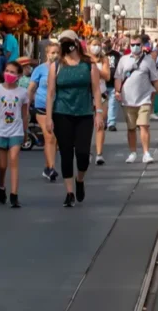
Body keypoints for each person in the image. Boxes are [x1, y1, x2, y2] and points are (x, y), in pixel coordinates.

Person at [45, 33, 103, 207]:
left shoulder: (88, 65)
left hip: (84, 113)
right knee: (66, 153)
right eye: (63, 43)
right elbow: (50, 93)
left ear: (76, 43)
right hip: (62, 113)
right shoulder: (56, 66)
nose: (66, 46)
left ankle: (80, 179)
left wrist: (99, 112)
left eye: (68, 43)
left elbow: (96, 90)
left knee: (83, 154)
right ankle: (69, 192)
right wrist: (48, 117)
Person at [0, 61, 29, 207]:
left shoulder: (23, 92)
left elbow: (25, 114)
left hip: (16, 131)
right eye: (7, 71)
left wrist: (25, 131)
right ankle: (1, 185)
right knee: (2, 166)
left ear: (18, 75)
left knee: (14, 161)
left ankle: (14, 195)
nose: (9, 74)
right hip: (0, 130)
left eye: (12, 72)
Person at [116, 35, 156, 164]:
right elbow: (118, 77)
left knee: (144, 125)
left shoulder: (148, 60)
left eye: (137, 44)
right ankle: (133, 152)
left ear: (142, 45)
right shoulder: (123, 60)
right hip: (128, 99)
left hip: (144, 98)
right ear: (129, 46)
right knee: (131, 128)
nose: (135, 47)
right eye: (132, 44)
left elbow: (155, 79)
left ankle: (146, 153)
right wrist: (117, 91)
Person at [29, 42, 60, 182]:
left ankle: (47, 166)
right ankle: (52, 168)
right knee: (50, 137)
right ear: (47, 54)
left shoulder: (63, 69)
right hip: (42, 106)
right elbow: (31, 89)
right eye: (52, 52)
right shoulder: (40, 70)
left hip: (59, 106)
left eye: (57, 52)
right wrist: (26, 106)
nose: (55, 55)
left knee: (56, 140)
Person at [89, 40, 111, 165]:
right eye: (94, 44)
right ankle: (86, 151)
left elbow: (107, 76)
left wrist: (95, 70)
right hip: (88, 95)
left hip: (101, 94)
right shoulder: (85, 58)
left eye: (98, 44)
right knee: (87, 126)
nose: (96, 47)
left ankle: (99, 153)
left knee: (100, 124)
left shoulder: (104, 59)